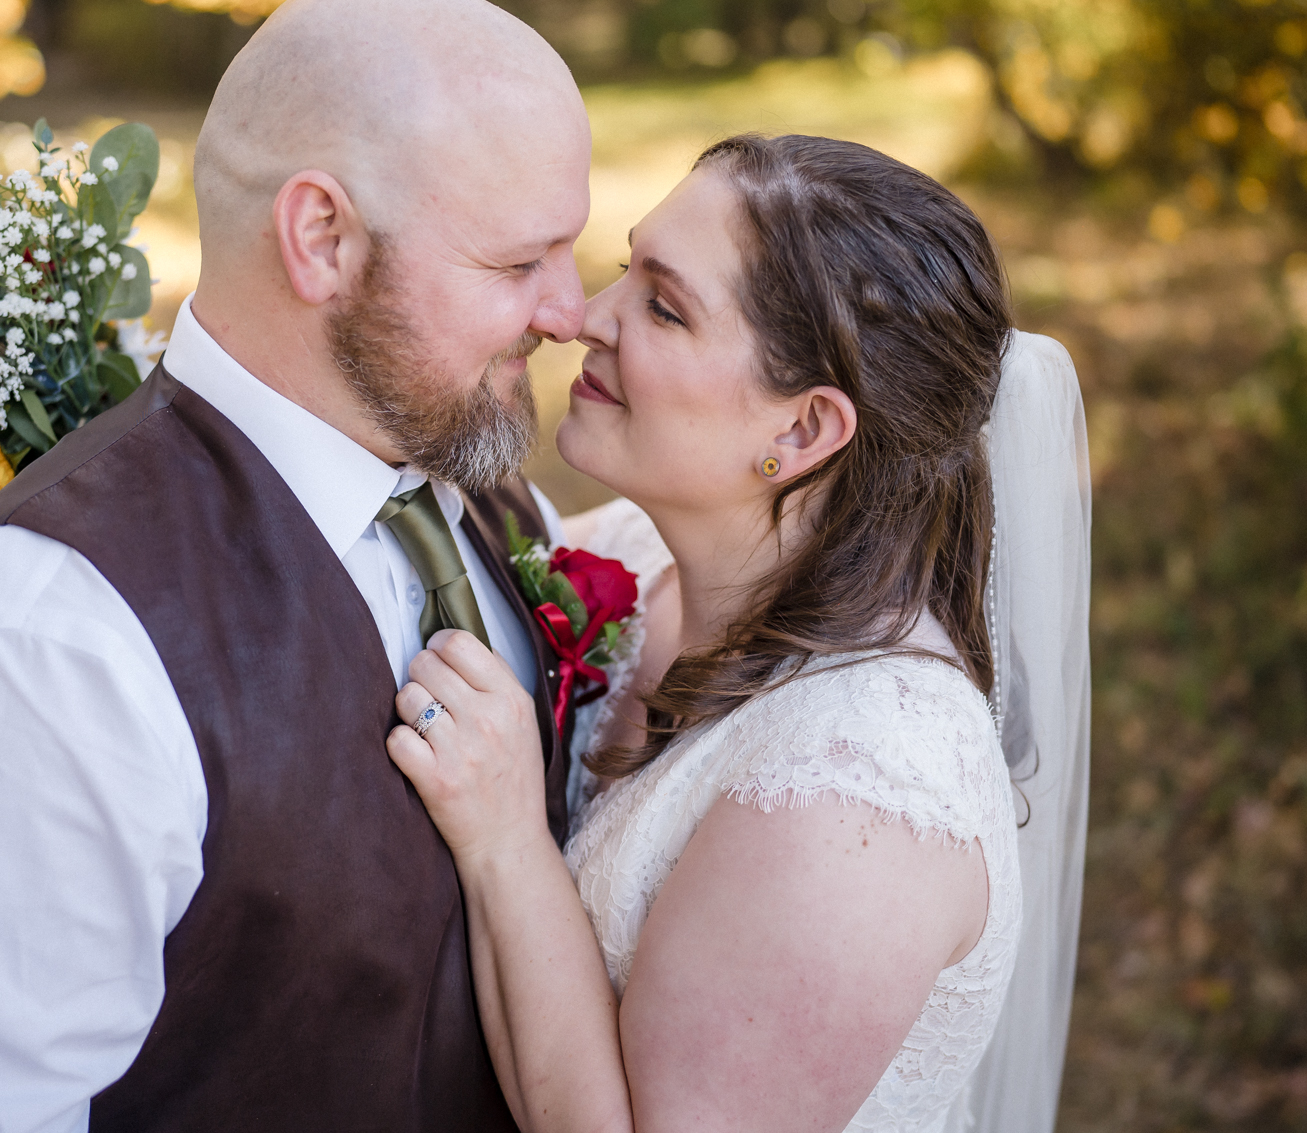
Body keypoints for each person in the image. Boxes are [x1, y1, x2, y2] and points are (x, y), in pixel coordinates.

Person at [0, 0, 597, 1131]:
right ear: (322, 239)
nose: (575, 309)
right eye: (518, 264)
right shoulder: (26, 655)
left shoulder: (495, 513)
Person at [387, 134, 1092, 1132]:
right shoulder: (642, 557)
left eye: (663, 306)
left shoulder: (860, 795)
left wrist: (504, 842)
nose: (585, 316)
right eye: (625, 268)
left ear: (800, 432)